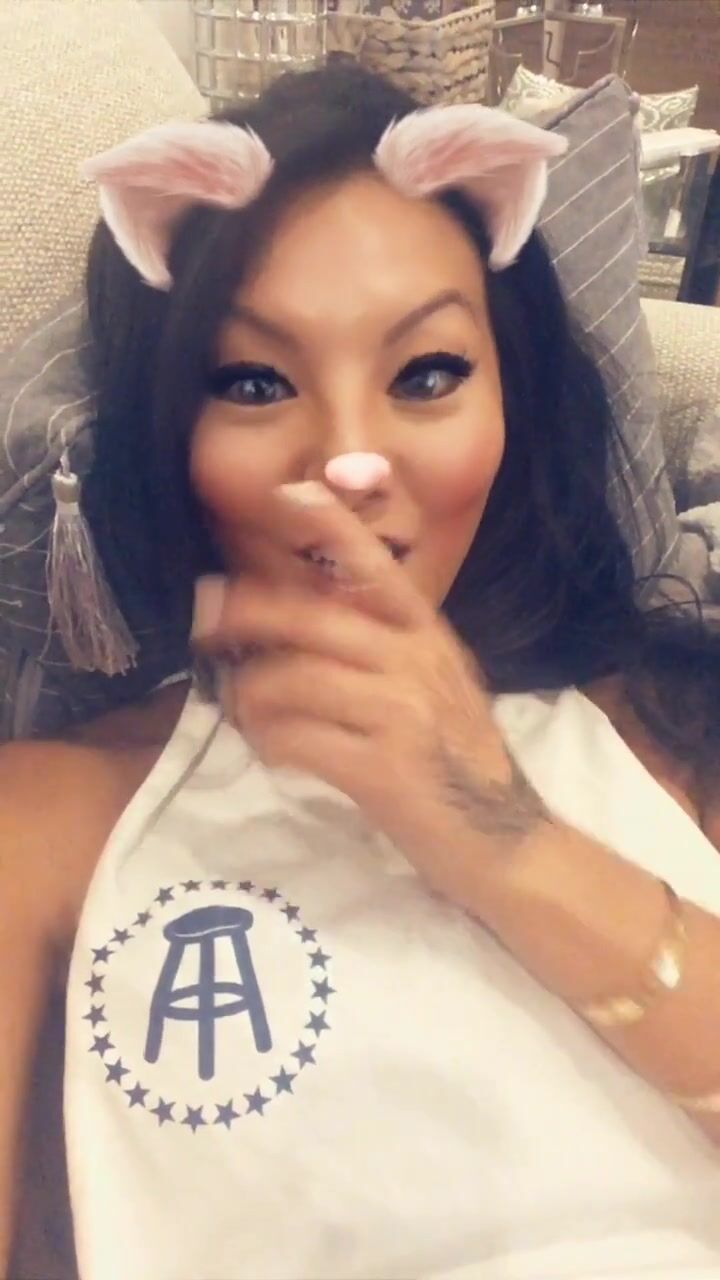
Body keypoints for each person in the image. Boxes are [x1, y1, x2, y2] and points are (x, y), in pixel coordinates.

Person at [2, 62, 720, 1280]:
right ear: (172, 434)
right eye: (255, 382)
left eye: (426, 374)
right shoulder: (49, 820)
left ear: (512, 401)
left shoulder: (671, 726)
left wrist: (498, 833)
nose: (348, 459)